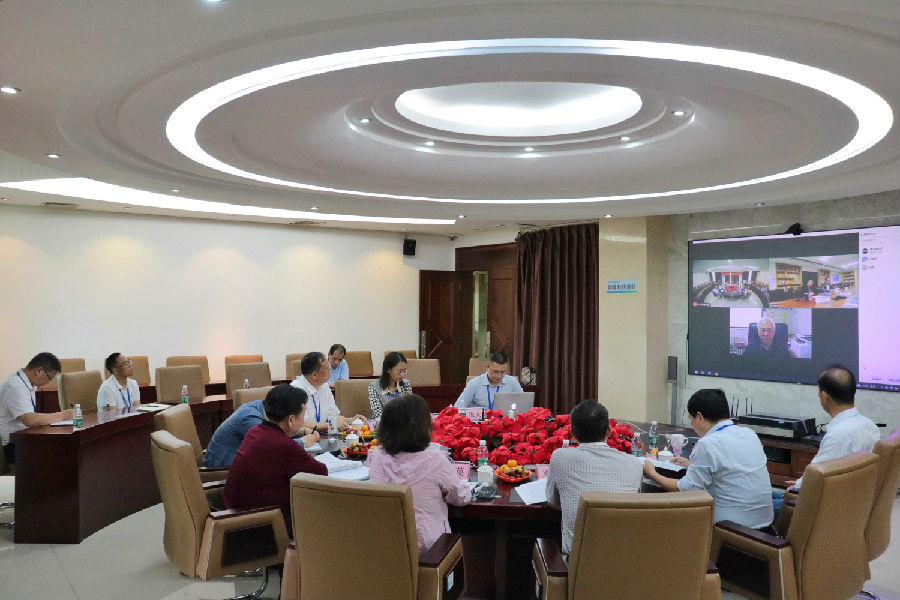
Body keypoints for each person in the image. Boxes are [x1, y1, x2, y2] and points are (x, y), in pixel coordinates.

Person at [643, 388, 773, 529]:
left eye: (690, 419)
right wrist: (692, 465)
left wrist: (652, 473)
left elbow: (685, 490)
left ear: (699, 417)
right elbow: (731, 469)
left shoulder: (707, 444)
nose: (691, 424)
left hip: (730, 530)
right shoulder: (749, 434)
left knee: (660, 518)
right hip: (766, 526)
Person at [367, 394, 470, 552]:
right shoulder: (435, 460)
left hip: (386, 544)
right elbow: (460, 497)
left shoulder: (378, 456)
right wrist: (466, 486)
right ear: (423, 427)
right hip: (428, 548)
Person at [223, 384, 328, 531]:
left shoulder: (256, 431)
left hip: (233, 515)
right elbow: (321, 472)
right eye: (303, 415)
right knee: (329, 508)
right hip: (260, 524)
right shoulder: (283, 445)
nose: (303, 420)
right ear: (291, 420)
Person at [545, 400, 643, 556]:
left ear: (572, 434)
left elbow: (553, 502)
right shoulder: (634, 464)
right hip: (624, 559)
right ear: (609, 431)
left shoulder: (560, 457)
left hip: (577, 563)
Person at [772, 366, 879, 510]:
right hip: (851, 498)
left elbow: (816, 477)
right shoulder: (869, 425)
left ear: (824, 396)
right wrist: (799, 484)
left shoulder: (838, 435)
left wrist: (797, 489)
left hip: (825, 506)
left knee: (755, 505)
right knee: (767, 496)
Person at [0, 352, 75, 465]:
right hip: (13, 445)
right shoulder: (16, 386)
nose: (47, 383)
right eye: (49, 378)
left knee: (65, 447)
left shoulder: (25, 382)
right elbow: (29, 420)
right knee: (62, 454)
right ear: (39, 371)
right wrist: (63, 415)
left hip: (25, 438)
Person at [203, 398, 320, 468]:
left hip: (242, 463)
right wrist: (302, 442)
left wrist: (299, 430)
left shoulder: (261, 407)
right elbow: (273, 446)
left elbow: (275, 432)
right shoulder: (250, 418)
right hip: (222, 468)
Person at [290, 352, 362, 431]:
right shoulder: (295, 390)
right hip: (304, 437)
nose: (330, 372)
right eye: (328, 370)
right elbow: (298, 425)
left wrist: (352, 420)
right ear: (314, 375)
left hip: (322, 435)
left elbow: (334, 415)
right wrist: (330, 425)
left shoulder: (324, 385)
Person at [454, 350, 523, 410]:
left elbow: (523, 404)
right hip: (481, 420)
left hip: (505, 419)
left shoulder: (512, 382)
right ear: (487, 367)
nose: (499, 376)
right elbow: (458, 407)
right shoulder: (474, 384)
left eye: (502, 372)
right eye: (495, 372)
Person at [368, 352, 413, 418]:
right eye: (399, 371)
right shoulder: (374, 387)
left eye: (404, 371)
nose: (402, 375)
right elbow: (378, 414)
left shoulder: (406, 384)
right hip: (383, 422)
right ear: (388, 369)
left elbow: (409, 408)